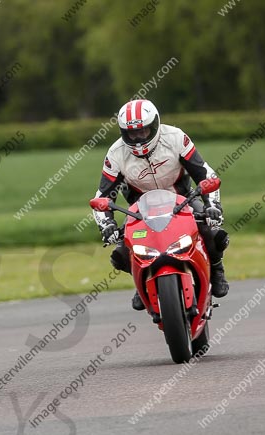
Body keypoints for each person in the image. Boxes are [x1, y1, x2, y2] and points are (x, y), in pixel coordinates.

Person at [92, 99, 230, 310]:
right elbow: (103, 196)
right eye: (132, 133)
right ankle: (141, 284)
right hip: (141, 212)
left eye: (143, 131)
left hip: (184, 202)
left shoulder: (175, 138)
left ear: (154, 125)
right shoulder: (116, 153)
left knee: (214, 234)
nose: (138, 138)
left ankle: (217, 270)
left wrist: (213, 207)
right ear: (123, 133)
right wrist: (107, 225)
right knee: (121, 255)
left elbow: (205, 173)